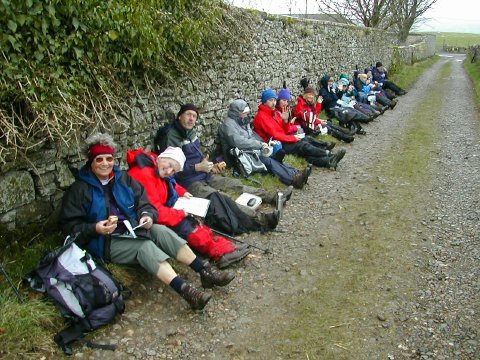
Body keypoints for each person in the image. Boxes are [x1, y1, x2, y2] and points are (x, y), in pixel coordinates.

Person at [59, 133, 235, 311]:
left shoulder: (123, 179)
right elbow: (70, 227)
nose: (105, 163)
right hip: (104, 240)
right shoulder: (79, 190)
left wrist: (147, 215)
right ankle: (186, 290)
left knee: (162, 231)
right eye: (99, 159)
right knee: (145, 247)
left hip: (132, 227)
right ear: (91, 162)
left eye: (109, 158)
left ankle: (204, 270)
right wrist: (95, 228)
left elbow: (145, 203)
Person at [154, 104, 285, 231]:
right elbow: (171, 172)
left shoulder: (191, 133)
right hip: (189, 183)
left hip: (205, 175)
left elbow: (199, 157)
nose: (191, 119)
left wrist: (211, 166)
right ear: (179, 116)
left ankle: (273, 196)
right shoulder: (171, 137)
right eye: (188, 114)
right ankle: (261, 219)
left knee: (235, 184)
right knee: (223, 199)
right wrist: (197, 167)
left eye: (194, 116)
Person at [127, 146, 251, 269]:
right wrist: (180, 213)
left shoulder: (155, 166)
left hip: (160, 208)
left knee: (195, 220)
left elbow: (170, 184)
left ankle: (223, 245)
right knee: (187, 226)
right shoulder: (144, 174)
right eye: (169, 165)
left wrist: (182, 192)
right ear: (161, 158)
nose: (169, 171)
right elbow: (154, 210)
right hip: (144, 217)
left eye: (174, 170)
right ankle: (220, 253)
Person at [218, 99, 312, 189]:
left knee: (270, 157)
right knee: (267, 161)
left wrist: (263, 145)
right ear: (236, 113)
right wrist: (259, 145)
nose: (246, 115)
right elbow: (237, 142)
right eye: (244, 113)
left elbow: (250, 136)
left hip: (247, 151)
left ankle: (296, 172)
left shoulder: (242, 120)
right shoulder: (228, 125)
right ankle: (294, 179)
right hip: (236, 157)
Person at [253, 89, 346, 170]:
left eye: (274, 100)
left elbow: (284, 130)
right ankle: (328, 154)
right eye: (270, 100)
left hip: (282, 140)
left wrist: (285, 121)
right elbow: (275, 135)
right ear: (264, 102)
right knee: (302, 145)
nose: (273, 103)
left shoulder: (273, 113)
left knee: (304, 149)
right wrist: (293, 138)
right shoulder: (262, 117)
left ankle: (328, 161)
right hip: (275, 145)